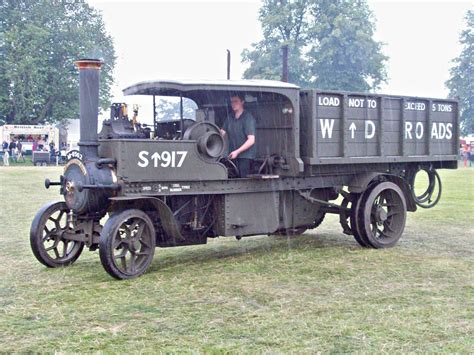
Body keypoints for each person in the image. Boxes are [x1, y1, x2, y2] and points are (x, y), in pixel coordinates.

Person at [220, 93, 256, 177]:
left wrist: (237, 151)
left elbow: (251, 140)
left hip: (246, 158)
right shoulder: (230, 117)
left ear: (242, 102)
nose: (233, 104)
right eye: (232, 102)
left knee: (243, 182)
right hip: (232, 156)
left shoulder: (248, 118)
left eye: (236, 101)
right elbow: (222, 132)